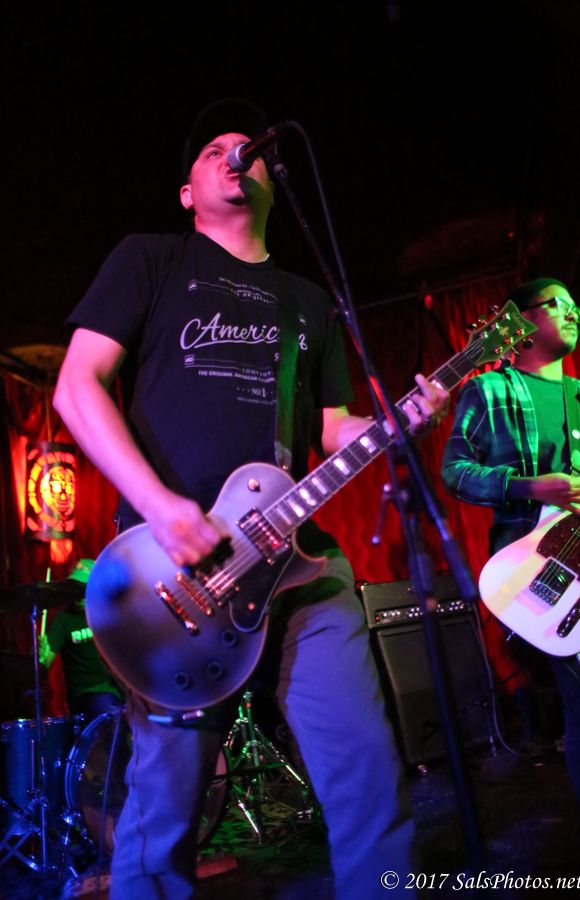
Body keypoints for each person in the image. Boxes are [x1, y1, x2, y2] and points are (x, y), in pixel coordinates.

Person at [53, 98, 450, 899]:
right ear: (187, 193)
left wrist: (403, 418)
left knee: (367, 771)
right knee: (165, 813)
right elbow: (76, 386)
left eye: (251, 148)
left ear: (274, 180)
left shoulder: (306, 301)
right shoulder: (151, 260)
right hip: (176, 574)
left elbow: (333, 430)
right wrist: (161, 505)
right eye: (214, 150)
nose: (237, 153)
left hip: (296, 564)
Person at [441, 277, 580, 896]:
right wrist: (528, 487)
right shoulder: (490, 389)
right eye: (559, 303)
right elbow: (455, 470)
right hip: (538, 569)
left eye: (575, 303)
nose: (574, 311)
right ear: (523, 321)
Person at [38, 558, 123, 719]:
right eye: (74, 587)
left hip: (119, 687)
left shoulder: (110, 612)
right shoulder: (63, 619)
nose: (78, 593)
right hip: (87, 693)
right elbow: (45, 661)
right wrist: (42, 657)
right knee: (107, 709)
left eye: (83, 587)